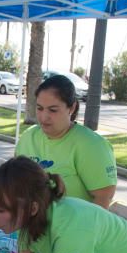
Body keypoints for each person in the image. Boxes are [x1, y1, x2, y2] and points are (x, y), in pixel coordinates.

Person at [15, 74, 117, 209]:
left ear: (72, 108)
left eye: (53, 110)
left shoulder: (92, 145)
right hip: (31, 227)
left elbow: (103, 198)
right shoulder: (28, 137)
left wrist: (83, 230)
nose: (44, 117)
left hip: (74, 228)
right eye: (39, 108)